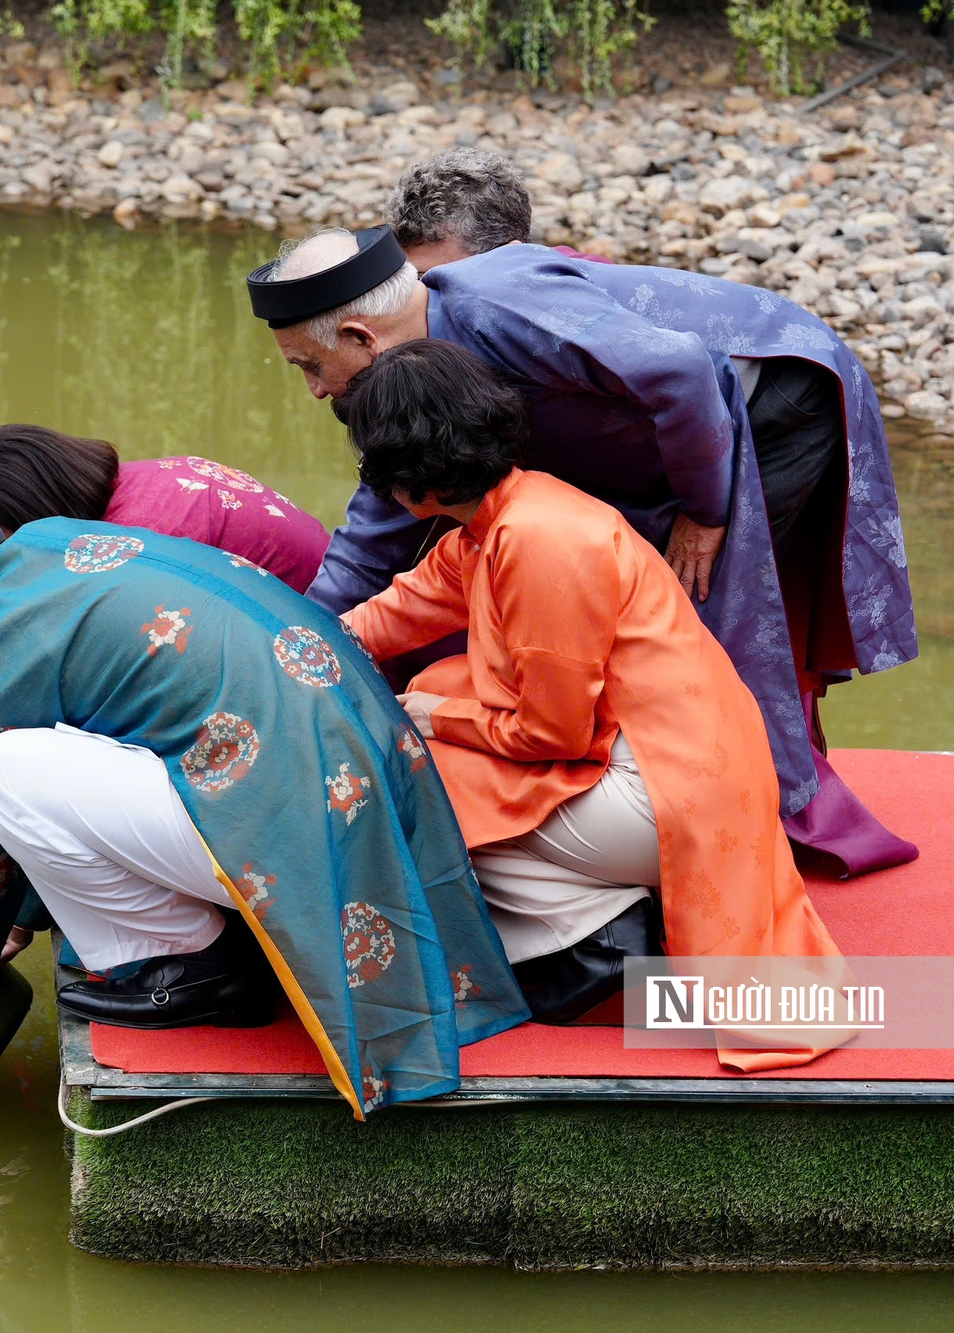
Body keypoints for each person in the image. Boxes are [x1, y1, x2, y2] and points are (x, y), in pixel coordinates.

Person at [245, 222, 918, 876]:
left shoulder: (497, 309)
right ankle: (669, 797)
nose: (315, 389)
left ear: (362, 337)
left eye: (310, 364)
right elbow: (371, 537)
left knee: (712, 612)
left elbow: (684, 371)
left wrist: (708, 509)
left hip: (764, 396)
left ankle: (743, 822)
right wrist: (294, 645)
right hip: (663, 430)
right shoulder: (422, 375)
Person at [0, 476, 525, 1113]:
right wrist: (21, 916)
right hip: (366, 785)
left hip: (301, 825)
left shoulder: (5, 639)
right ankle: (214, 946)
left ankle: (183, 971)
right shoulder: (51, 544)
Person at [339, 340, 846, 1070]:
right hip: (676, 763)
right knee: (443, 689)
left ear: (403, 477)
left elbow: (550, 733)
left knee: (411, 766)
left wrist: (423, 717)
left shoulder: (538, 543)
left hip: (670, 799)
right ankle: (595, 914)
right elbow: (398, 610)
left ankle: (588, 932)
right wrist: (301, 649)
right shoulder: (511, 511)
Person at [0, 423, 330, 593]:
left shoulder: (133, 544)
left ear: (31, 509)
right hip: (347, 596)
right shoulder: (133, 482)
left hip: (348, 652)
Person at [387, 145, 609, 270]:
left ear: (511, 256)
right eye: (413, 278)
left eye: (439, 280)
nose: (423, 297)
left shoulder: (596, 288)